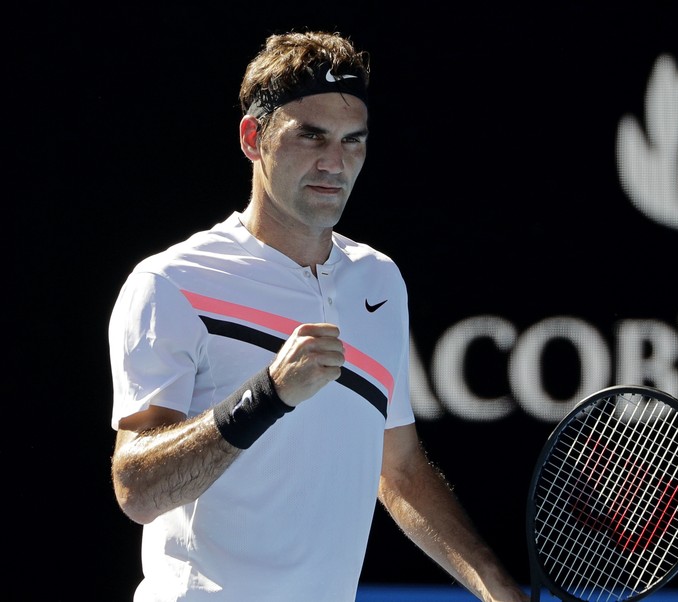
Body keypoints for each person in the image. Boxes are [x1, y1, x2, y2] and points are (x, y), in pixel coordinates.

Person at [108, 29, 530, 602]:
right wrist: (268, 395)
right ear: (253, 138)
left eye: (353, 141)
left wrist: (495, 586)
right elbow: (137, 489)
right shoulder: (170, 283)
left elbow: (398, 466)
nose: (335, 162)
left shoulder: (379, 281)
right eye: (311, 136)